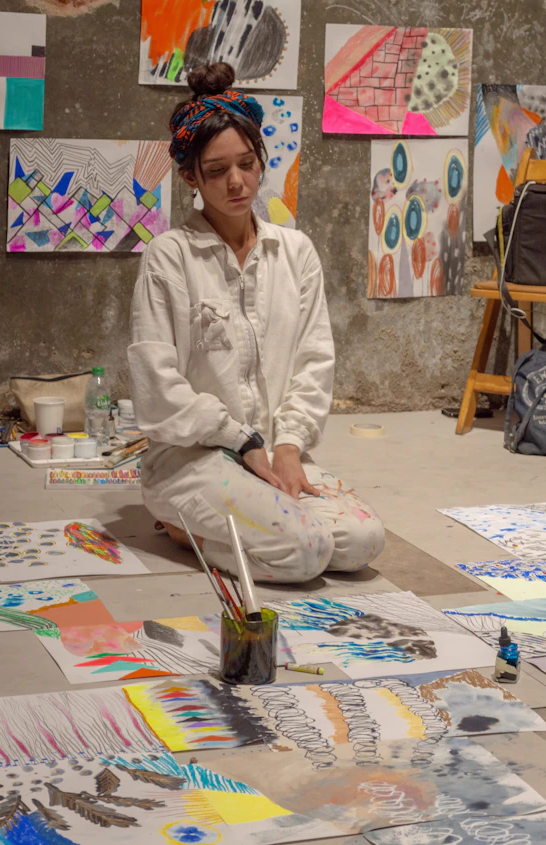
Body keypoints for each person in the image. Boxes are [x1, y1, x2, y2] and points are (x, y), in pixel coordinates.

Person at [128, 62, 385, 584]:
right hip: (192, 461)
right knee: (305, 552)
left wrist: (287, 445)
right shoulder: (169, 257)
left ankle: (255, 517)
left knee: (362, 542)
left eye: (247, 163)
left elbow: (314, 363)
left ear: (261, 161)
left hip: (272, 454)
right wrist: (238, 438)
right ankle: (182, 525)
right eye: (218, 170)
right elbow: (158, 387)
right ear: (190, 176)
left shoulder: (294, 252)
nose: (237, 182)